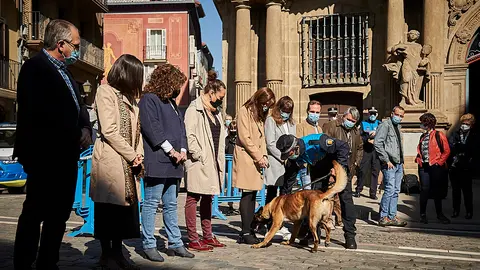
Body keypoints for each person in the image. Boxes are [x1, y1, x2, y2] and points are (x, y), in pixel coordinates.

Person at [13, 19, 92, 270]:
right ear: (61, 44)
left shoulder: (67, 72)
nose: (77, 50)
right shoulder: (34, 68)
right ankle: (23, 263)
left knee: (59, 214)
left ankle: (49, 261)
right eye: (75, 45)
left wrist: (87, 129)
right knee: (35, 212)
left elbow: (79, 109)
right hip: (44, 156)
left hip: (67, 156)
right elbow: (36, 115)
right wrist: (71, 134)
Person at [89, 54, 144, 269]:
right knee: (108, 210)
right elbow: (109, 130)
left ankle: (118, 252)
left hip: (127, 162)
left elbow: (136, 132)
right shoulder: (105, 92)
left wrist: (138, 155)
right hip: (111, 161)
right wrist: (132, 155)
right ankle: (107, 254)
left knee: (123, 212)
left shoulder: (130, 98)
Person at [139, 64, 194, 262]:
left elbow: (182, 130)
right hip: (158, 159)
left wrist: (183, 151)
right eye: (176, 84)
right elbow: (152, 128)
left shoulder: (172, 103)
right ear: (166, 82)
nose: (178, 89)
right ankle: (148, 244)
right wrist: (170, 150)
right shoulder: (149, 100)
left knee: (171, 204)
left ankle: (176, 243)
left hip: (174, 162)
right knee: (152, 203)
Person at [275, 133, 356, 249]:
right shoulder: (293, 158)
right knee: (314, 201)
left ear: (295, 147)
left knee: (345, 199)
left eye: (289, 153)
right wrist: (282, 201)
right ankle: (313, 234)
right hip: (318, 168)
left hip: (336, 163)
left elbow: (343, 146)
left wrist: (339, 167)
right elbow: (288, 180)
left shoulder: (317, 141)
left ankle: (350, 235)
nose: (289, 156)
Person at [184, 71, 227, 252]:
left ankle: (208, 235)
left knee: (208, 197)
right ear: (211, 92)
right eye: (220, 96)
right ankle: (193, 238)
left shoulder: (215, 113)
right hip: (199, 161)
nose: (221, 100)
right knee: (193, 197)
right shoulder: (194, 109)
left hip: (213, 160)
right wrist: (199, 155)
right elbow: (190, 135)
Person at [233, 87, 275, 245]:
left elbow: (262, 137)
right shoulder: (245, 110)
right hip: (246, 157)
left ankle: (249, 229)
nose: (266, 107)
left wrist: (263, 155)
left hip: (256, 159)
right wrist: (259, 156)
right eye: (266, 103)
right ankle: (245, 231)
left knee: (253, 195)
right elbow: (245, 137)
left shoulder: (260, 114)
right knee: (247, 194)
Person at [321, 107, 362, 249]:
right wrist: (330, 166)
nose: (350, 122)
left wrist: (356, 163)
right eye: (349, 119)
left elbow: (360, 147)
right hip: (329, 170)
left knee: (347, 202)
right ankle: (309, 232)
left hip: (346, 172)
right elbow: (324, 146)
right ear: (344, 116)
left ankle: (350, 235)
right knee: (320, 198)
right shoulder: (331, 126)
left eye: (353, 121)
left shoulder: (355, 131)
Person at [264, 96, 296, 239]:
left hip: (289, 163)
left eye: (288, 111)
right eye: (284, 111)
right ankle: (269, 224)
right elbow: (270, 143)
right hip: (276, 162)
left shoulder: (292, 123)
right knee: (272, 195)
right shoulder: (271, 121)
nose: (286, 114)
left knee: (285, 196)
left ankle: (280, 224)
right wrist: (283, 156)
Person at [374, 106, 407, 227]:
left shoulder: (398, 126)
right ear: (392, 113)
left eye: (401, 116)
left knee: (396, 191)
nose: (399, 118)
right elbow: (378, 143)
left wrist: (402, 161)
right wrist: (386, 160)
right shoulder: (385, 125)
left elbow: (398, 146)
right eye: (398, 115)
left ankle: (392, 216)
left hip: (398, 163)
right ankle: (383, 216)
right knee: (389, 189)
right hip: (389, 163)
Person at [416, 113, 451, 224]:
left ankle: (439, 214)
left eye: (422, 122)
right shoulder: (423, 136)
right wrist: (418, 159)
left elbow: (447, 151)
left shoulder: (438, 135)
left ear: (428, 123)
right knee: (424, 190)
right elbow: (421, 150)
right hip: (424, 166)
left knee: (436, 191)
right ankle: (422, 215)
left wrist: (439, 162)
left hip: (435, 166)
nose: (421, 125)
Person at [449, 113, 477, 219]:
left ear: (471, 125)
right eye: (463, 123)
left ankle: (469, 211)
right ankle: (455, 210)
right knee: (455, 191)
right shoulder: (455, 133)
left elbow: (473, 149)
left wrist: (461, 147)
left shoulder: (474, 135)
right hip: (455, 166)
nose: (464, 125)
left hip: (466, 167)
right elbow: (451, 146)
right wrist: (460, 147)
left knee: (467, 192)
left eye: (467, 124)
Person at [355, 107, 382, 199]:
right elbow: (360, 136)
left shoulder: (380, 124)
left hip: (377, 150)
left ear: (377, 114)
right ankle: (358, 190)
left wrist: (376, 140)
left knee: (375, 171)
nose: (372, 115)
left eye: (374, 113)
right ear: (368, 114)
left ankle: (373, 193)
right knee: (363, 170)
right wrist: (367, 140)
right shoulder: (363, 123)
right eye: (371, 113)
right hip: (366, 149)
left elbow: (384, 136)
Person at [296, 100, 322, 190]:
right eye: (312, 112)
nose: (315, 114)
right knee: (308, 194)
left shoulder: (319, 129)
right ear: (307, 111)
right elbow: (298, 147)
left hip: (318, 167)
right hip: (306, 167)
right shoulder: (300, 127)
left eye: (317, 112)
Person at [225, 120, 239, 215]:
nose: (233, 130)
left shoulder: (239, 139)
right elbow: (225, 149)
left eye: (235, 128)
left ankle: (239, 205)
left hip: (238, 165)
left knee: (238, 187)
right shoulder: (226, 139)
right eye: (232, 128)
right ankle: (230, 205)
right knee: (229, 186)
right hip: (228, 166)